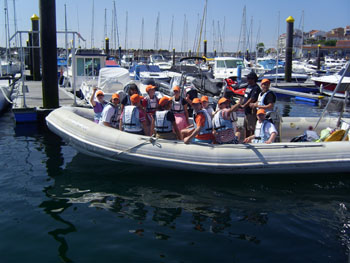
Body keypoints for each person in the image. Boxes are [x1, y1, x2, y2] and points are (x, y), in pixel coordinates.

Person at [240, 71, 261, 138]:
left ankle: (251, 139)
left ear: (253, 79)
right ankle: (246, 139)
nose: (247, 80)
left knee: (251, 127)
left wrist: (244, 105)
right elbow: (246, 96)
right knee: (246, 127)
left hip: (251, 111)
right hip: (246, 112)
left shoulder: (256, 88)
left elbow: (252, 98)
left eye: (249, 79)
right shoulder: (249, 86)